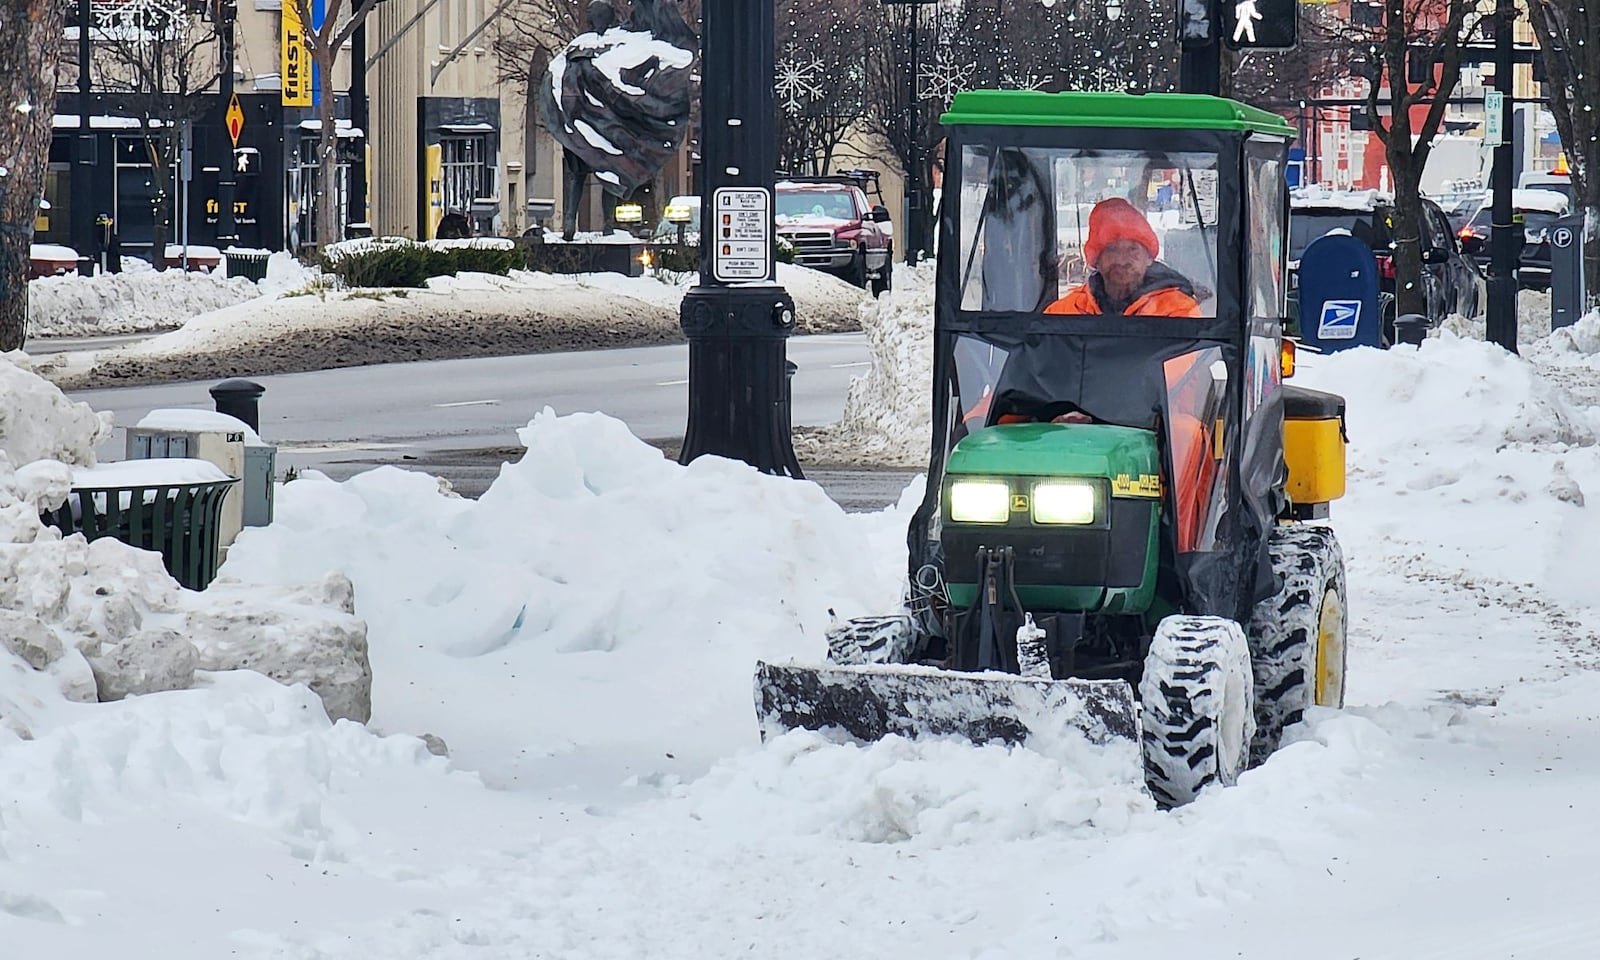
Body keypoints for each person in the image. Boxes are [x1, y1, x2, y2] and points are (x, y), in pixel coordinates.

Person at [1047, 197, 1201, 317]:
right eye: (1111, 249)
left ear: (1149, 258)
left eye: (1133, 249)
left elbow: (1180, 358)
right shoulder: (1063, 311)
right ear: (1096, 260)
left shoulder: (1179, 310)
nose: (1121, 260)